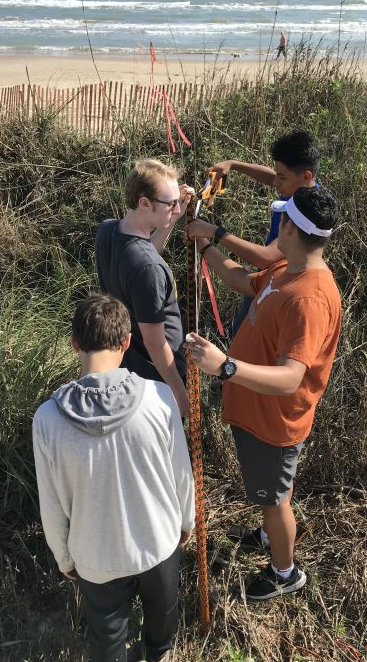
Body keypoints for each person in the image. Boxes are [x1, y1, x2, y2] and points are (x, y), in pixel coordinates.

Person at [33, 294, 195, 662]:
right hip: (159, 539)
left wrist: (64, 556)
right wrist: (186, 520)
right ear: (126, 342)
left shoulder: (47, 420)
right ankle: (157, 655)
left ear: (73, 344)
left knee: (106, 633)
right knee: (163, 607)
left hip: (94, 555)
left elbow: (51, 502)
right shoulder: (160, 399)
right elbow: (182, 471)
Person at [186, 187, 341, 601]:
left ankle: (285, 572)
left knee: (275, 500)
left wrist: (225, 367)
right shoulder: (287, 269)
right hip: (257, 411)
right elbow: (242, 280)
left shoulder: (309, 298)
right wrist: (205, 248)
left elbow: (291, 378)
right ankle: (268, 535)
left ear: (290, 228)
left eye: (281, 221)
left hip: (275, 422)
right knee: (275, 493)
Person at [188, 131, 320, 332]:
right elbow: (272, 177)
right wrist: (233, 164)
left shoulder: (304, 213)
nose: (276, 183)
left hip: (275, 290)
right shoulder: (302, 190)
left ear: (306, 176)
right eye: (277, 175)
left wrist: (214, 232)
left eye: (282, 178)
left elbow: (265, 258)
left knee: (244, 335)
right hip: (266, 282)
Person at [95, 159, 193, 417]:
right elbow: (155, 343)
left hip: (127, 368)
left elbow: (144, 252)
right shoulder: (147, 269)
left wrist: (173, 218)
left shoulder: (107, 231)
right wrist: (181, 397)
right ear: (144, 203)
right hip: (156, 380)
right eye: (170, 203)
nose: (175, 207)